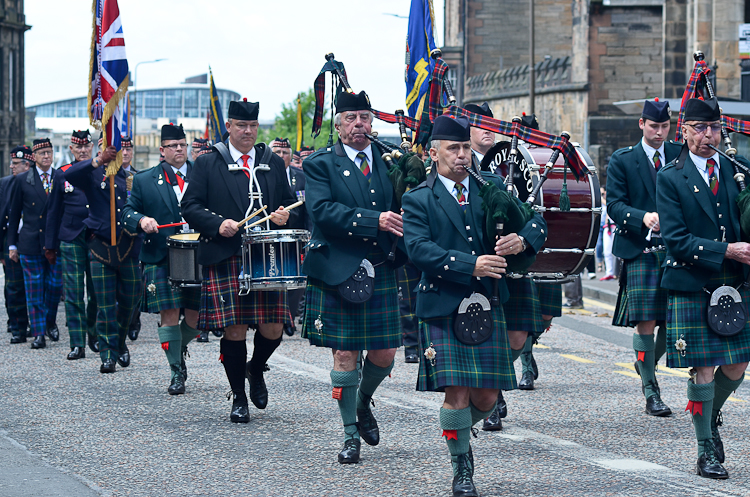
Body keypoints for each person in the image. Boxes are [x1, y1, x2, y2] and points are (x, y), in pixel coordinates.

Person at [403, 115, 546, 496]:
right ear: (433, 154)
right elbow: (418, 249)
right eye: (454, 148)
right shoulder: (418, 198)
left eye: (466, 147)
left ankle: (461, 431)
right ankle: (461, 466)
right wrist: (472, 264)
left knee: (485, 397)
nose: (462, 155)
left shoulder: (491, 188)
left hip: (487, 302)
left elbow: (536, 221)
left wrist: (522, 241)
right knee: (458, 393)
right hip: (443, 303)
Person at [300, 90, 407, 464]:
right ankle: (349, 435)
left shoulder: (390, 160)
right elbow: (322, 211)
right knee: (344, 353)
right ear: (338, 124)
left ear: (372, 122)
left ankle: (362, 402)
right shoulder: (319, 164)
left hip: (379, 265)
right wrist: (371, 220)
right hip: (338, 266)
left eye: (364, 116)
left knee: (385, 352)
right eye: (351, 118)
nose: (358, 123)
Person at [182, 99, 298, 422]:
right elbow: (189, 206)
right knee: (234, 331)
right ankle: (238, 397)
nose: (247, 132)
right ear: (229, 127)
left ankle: (256, 369)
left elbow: (289, 204)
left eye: (252, 127)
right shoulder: (209, 163)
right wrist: (217, 223)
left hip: (266, 256)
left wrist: (283, 215)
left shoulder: (271, 162)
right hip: (227, 254)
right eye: (241, 126)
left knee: (274, 328)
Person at [657, 97, 750, 479]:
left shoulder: (737, 169)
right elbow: (676, 240)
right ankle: (704, 449)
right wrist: (726, 249)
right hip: (694, 281)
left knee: (738, 365)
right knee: (705, 369)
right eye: (698, 127)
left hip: (736, 280)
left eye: (713, 127)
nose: (706, 135)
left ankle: (709, 415)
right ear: (685, 130)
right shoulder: (669, 176)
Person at [607, 98, 681, 417]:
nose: (660, 133)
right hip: (642, 250)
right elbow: (614, 205)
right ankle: (651, 389)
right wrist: (643, 217)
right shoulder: (623, 160)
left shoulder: (680, 155)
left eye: (665, 127)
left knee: (675, 322)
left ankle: (644, 360)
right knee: (647, 323)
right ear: (641, 124)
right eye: (654, 126)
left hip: (678, 248)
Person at [122, 124, 201, 395]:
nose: (179, 149)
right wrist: (142, 220)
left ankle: (178, 347)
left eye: (182, 144)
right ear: (162, 151)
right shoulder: (144, 180)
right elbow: (127, 211)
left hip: (198, 254)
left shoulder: (203, 175)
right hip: (161, 254)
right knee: (169, 314)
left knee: (196, 317)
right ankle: (176, 371)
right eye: (173, 146)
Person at [66, 143, 142, 373]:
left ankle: (119, 341)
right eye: (104, 146)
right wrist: (97, 161)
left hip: (128, 246)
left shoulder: (131, 177)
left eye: (115, 147)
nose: (112, 151)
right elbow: (68, 175)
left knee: (130, 301)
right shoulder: (92, 173)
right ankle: (108, 355)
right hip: (100, 246)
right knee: (105, 304)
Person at [46, 130, 99, 359]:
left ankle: (94, 333)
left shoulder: (102, 171)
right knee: (73, 292)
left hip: (97, 236)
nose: (83, 150)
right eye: (78, 147)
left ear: (92, 147)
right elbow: (53, 211)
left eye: (86, 146)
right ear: (71, 149)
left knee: (97, 291)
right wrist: (50, 245)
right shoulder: (62, 174)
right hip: (70, 236)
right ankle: (77, 343)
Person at [7, 138, 63, 349]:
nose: (46, 156)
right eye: (42, 153)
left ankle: (49, 320)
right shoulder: (23, 180)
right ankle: (39, 333)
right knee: (34, 289)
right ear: (35, 158)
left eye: (49, 152)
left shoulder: (61, 177)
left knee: (54, 287)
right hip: (30, 242)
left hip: (55, 243)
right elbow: (14, 215)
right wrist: (12, 245)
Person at [271, 136, 307, 336]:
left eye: (285, 152)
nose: (282, 156)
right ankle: (278, 316)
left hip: (296, 235)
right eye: (277, 152)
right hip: (272, 235)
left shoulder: (300, 176)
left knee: (296, 280)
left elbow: (308, 209)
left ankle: (290, 316)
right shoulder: (264, 173)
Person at [3, 146, 31, 343]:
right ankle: (17, 326)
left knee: (36, 286)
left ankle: (37, 324)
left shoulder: (38, 183)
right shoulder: (4, 184)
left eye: (16, 164)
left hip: (31, 239)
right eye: (12, 163)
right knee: (13, 287)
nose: (12, 167)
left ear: (27, 164)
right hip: (10, 240)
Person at [119, 135, 143, 341]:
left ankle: (133, 320)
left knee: (136, 285)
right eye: (121, 149)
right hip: (114, 236)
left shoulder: (139, 177)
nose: (125, 153)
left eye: (128, 149)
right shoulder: (108, 176)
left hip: (135, 236)